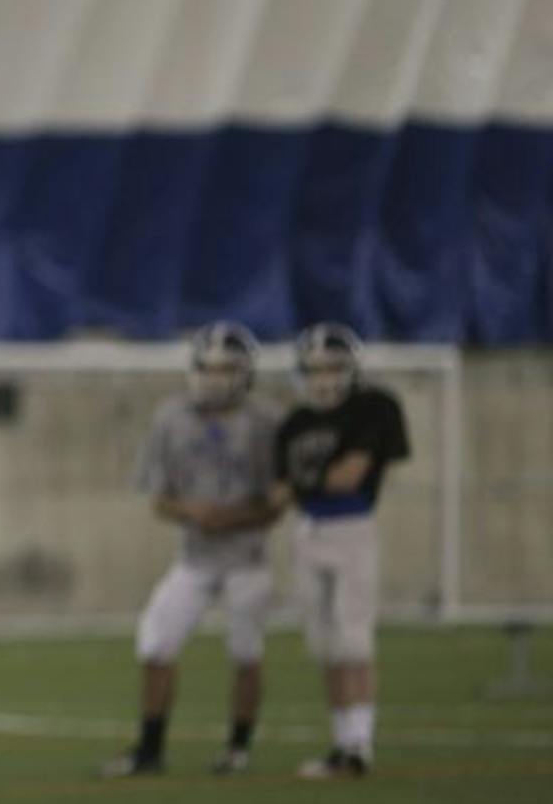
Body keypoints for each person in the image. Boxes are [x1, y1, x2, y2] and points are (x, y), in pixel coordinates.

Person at [102, 322, 282, 778]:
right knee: (156, 643)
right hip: (195, 558)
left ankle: (238, 749)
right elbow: (159, 499)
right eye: (207, 367)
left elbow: (280, 498)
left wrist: (234, 516)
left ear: (245, 373)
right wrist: (194, 512)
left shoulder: (265, 423)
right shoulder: (172, 417)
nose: (215, 377)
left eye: (226, 368)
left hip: (247, 557)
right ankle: (150, 748)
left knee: (246, 652)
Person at [272, 323, 409, 779]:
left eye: (333, 366)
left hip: (352, 527)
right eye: (315, 367)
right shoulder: (294, 422)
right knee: (325, 644)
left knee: (353, 637)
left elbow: (349, 477)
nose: (324, 376)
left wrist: (300, 486)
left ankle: (360, 744)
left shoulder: (373, 408)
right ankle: (340, 741)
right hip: (309, 530)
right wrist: (304, 487)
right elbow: (277, 492)